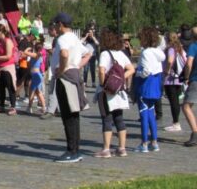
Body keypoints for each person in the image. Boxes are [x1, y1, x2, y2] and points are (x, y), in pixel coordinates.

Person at [53, 13, 91, 163]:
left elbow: (64, 53)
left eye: (56, 24)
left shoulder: (63, 39)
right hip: (74, 75)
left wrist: (63, 69)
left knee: (67, 115)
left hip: (65, 78)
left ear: (61, 24)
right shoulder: (75, 38)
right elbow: (88, 53)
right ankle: (76, 149)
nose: (55, 27)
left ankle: (71, 150)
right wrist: (76, 66)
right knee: (74, 115)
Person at [93, 29, 135, 158]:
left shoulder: (105, 54)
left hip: (107, 91)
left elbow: (101, 70)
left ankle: (106, 149)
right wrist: (121, 80)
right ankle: (122, 148)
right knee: (119, 118)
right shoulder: (121, 54)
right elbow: (131, 69)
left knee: (107, 118)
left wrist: (103, 84)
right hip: (119, 90)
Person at [133, 27, 165, 153]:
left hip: (145, 84)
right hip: (155, 84)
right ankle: (154, 142)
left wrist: (137, 72)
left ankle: (144, 142)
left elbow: (145, 71)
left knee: (143, 113)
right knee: (151, 113)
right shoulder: (158, 52)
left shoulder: (146, 53)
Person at [0, 24, 18, 116]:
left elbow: (8, 56)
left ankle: (13, 106)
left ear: (1, 32)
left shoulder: (8, 41)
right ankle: (1, 106)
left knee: (10, 87)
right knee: (1, 87)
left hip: (8, 67)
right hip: (0, 67)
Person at [163, 32, 186, 132]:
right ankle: (176, 122)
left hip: (171, 78)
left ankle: (176, 123)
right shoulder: (179, 48)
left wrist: (166, 70)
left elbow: (170, 60)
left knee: (174, 101)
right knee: (176, 100)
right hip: (179, 77)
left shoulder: (171, 49)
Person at [41, 23, 60, 119]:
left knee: (53, 89)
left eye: (49, 31)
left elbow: (56, 52)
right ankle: (55, 109)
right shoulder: (56, 39)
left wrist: (47, 50)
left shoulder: (57, 39)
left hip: (57, 68)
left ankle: (52, 110)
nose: (48, 33)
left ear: (54, 31)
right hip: (56, 67)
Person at [182, 27, 197, 147]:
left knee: (186, 106)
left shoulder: (193, 46)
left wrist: (187, 77)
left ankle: (195, 133)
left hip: (196, 79)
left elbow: (189, 63)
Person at [24, 42, 46, 114]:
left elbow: (25, 52)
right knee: (38, 92)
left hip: (36, 75)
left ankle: (29, 107)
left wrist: (29, 48)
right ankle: (44, 107)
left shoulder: (35, 54)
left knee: (32, 91)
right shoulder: (39, 54)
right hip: (36, 75)